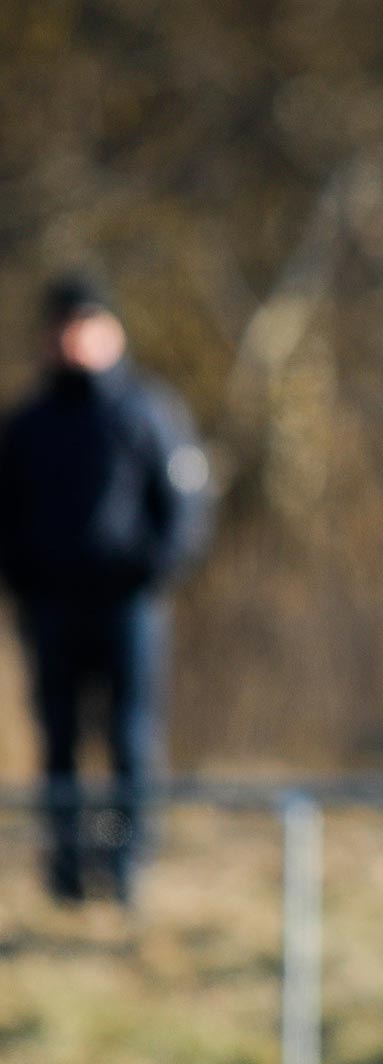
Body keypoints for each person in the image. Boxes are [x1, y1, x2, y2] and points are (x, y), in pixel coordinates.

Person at [0, 274, 211, 906]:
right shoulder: (28, 424)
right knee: (58, 738)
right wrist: (27, 582)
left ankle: (125, 866)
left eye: (84, 325)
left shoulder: (150, 411)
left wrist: (150, 571)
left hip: (129, 607)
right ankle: (65, 867)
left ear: (110, 331)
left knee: (130, 737)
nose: (72, 340)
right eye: (62, 327)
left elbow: (186, 508)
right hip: (51, 608)